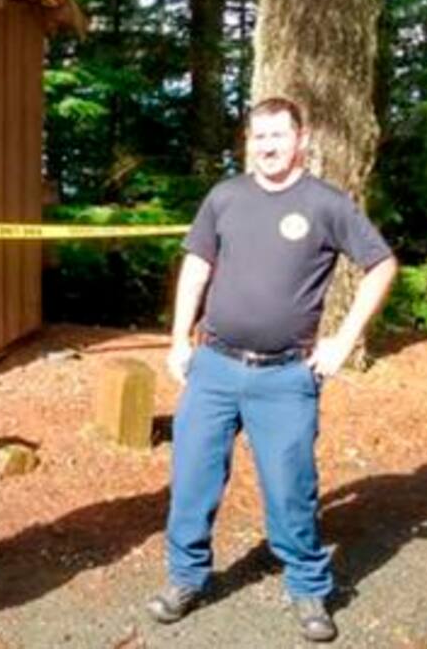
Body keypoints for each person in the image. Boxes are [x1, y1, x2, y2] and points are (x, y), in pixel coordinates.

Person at [147, 96, 397, 642]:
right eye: (257, 137)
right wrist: (178, 340)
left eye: (277, 136)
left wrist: (343, 340)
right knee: (192, 479)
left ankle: (308, 586)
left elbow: (381, 265)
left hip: (285, 377)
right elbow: (195, 267)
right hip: (212, 367)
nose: (266, 147)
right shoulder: (226, 197)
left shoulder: (326, 203)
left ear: (301, 139)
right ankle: (186, 577)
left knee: (291, 488)